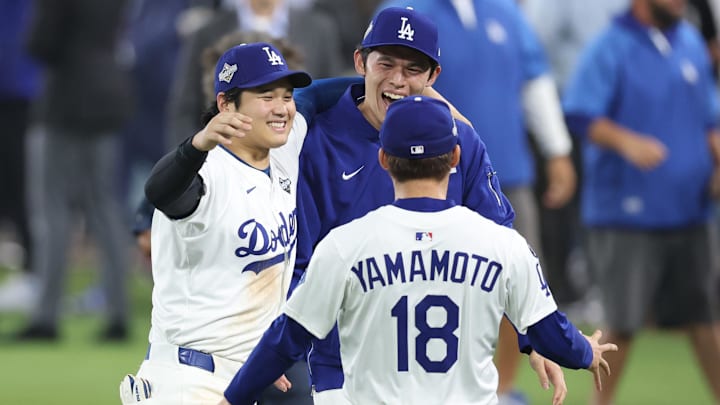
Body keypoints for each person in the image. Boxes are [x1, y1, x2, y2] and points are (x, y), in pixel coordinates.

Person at [219, 95, 618, 405]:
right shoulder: (503, 244)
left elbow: (286, 338)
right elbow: (549, 331)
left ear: (383, 159)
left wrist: (233, 396)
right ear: (456, 158)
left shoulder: (344, 246)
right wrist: (585, 351)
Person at [287, 6, 568, 404]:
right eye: (386, 63)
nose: (397, 80)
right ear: (360, 62)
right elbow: (296, 266)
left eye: (413, 68)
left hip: (449, 381)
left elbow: (507, 248)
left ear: (433, 76)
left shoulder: (461, 141)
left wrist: (535, 335)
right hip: (345, 376)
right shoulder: (314, 141)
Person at [119, 42, 315, 404]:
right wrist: (195, 145)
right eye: (265, 95)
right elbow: (159, 192)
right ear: (226, 105)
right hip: (187, 380)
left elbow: (321, 97)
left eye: (286, 96)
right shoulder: (205, 173)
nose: (282, 108)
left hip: (246, 377)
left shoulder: (284, 149)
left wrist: (415, 91)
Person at [562, 0, 720, 403]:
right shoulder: (609, 46)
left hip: (690, 211)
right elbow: (580, 113)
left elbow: (710, 118)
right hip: (627, 214)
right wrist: (628, 142)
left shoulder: (688, 41)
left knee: (705, 321)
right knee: (623, 325)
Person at [15, 0, 135, 341]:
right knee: (104, 207)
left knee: (52, 209)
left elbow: (40, 43)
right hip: (107, 96)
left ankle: (46, 316)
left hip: (64, 101)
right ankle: (118, 314)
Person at [166, 0, 343, 147]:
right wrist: (192, 162)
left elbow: (330, 103)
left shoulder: (319, 28)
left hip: (297, 158)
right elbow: (185, 110)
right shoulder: (207, 32)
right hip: (221, 157)